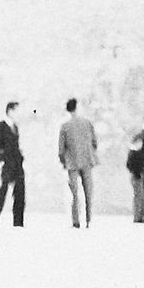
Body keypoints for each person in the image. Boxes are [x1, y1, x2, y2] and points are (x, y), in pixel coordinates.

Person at [57, 97, 98, 228]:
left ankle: (76, 221)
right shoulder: (87, 123)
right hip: (87, 161)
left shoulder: (64, 125)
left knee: (74, 194)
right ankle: (88, 220)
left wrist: (64, 162)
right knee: (88, 193)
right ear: (77, 107)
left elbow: (61, 149)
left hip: (72, 163)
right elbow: (95, 143)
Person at [0, 100, 25, 227]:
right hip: (7, 164)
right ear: (10, 111)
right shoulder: (0, 125)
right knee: (2, 192)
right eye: (16, 111)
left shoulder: (15, 127)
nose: (18, 114)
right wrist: (1, 159)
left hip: (17, 164)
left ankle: (18, 222)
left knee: (20, 192)